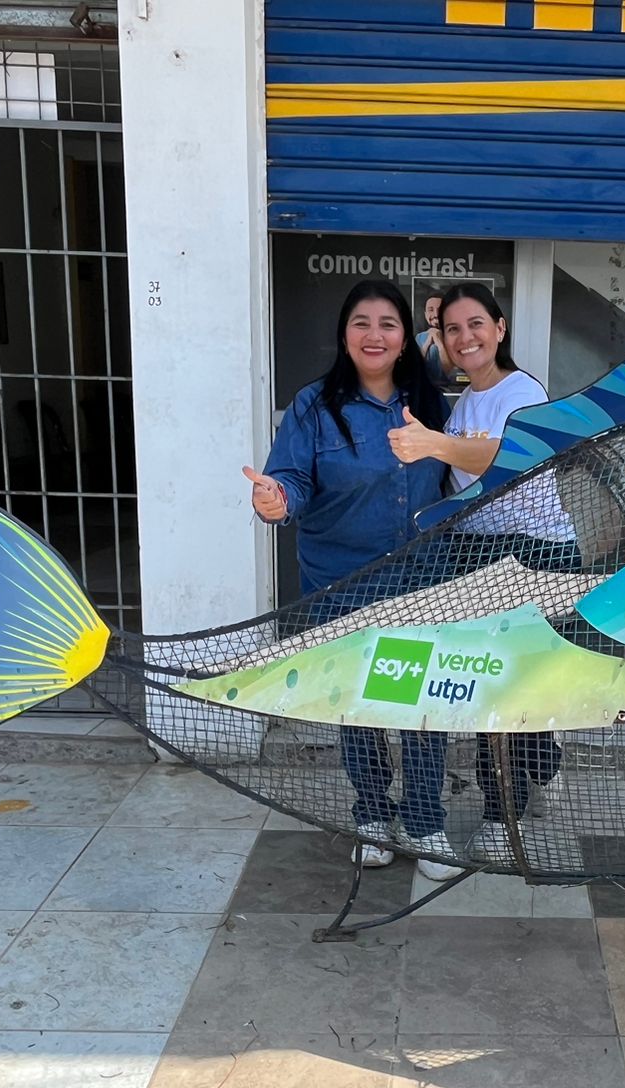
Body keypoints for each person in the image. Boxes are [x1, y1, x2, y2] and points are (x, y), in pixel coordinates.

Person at [244, 280, 462, 881]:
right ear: (344, 335)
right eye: (361, 323)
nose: (374, 335)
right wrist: (276, 499)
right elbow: (291, 479)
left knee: (422, 704)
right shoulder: (314, 406)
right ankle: (372, 814)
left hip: (420, 580)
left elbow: (459, 475)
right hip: (343, 582)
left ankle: (424, 821)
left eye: (388, 324)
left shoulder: (430, 402)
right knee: (359, 703)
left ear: (404, 340)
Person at [387, 281, 580, 864]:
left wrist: (433, 445)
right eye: (452, 329)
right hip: (477, 554)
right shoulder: (464, 402)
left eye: (476, 324)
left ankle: (503, 814)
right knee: (496, 684)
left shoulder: (523, 392)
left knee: (508, 690)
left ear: (500, 328)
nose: (464, 337)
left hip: (534, 555)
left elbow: (507, 458)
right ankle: (543, 764)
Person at [415, 290, 453, 390]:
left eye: (440, 309)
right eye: (430, 310)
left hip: (448, 389)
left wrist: (438, 341)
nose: (436, 314)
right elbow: (415, 367)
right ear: (425, 314)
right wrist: (428, 342)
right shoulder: (419, 337)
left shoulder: (453, 336)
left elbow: (449, 370)